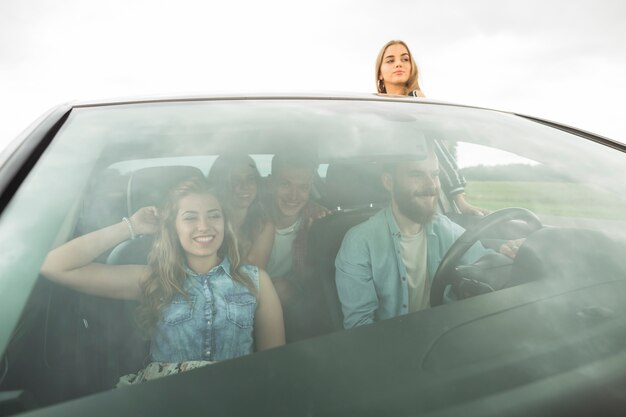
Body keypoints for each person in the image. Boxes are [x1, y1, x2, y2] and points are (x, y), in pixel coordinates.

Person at [40, 177, 284, 383]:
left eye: (214, 216)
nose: (204, 226)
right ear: (173, 227)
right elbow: (55, 266)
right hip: (167, 401)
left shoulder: (256, 281)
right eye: (189, 217)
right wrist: (131, 226)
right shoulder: (152, 279)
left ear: (225, 224)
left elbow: (275, 365)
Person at [335, 145, 519, 329]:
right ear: (389, 182)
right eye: (417, 174)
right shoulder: (359, 242)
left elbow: (483, 259)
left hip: (445, 335)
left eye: (435, 174)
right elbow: (359, 327)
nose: (431, 185)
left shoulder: (444, 227)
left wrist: (515, 250)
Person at [375, 39, 489, 217]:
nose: (399, 63)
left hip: (416, 204)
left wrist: (460, 201)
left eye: (405, 59)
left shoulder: (421, 108)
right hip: (385, 203)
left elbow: (439, 153)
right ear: (380, 73)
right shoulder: (371, 115)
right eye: (390, 60)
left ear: (412, 68)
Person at [207, 153, 274, 268]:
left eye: (250, 179)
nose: (245, 186)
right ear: (221, 184)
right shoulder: (207, 223)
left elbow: (253, 274)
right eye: (235, 180)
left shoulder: (263, 224)